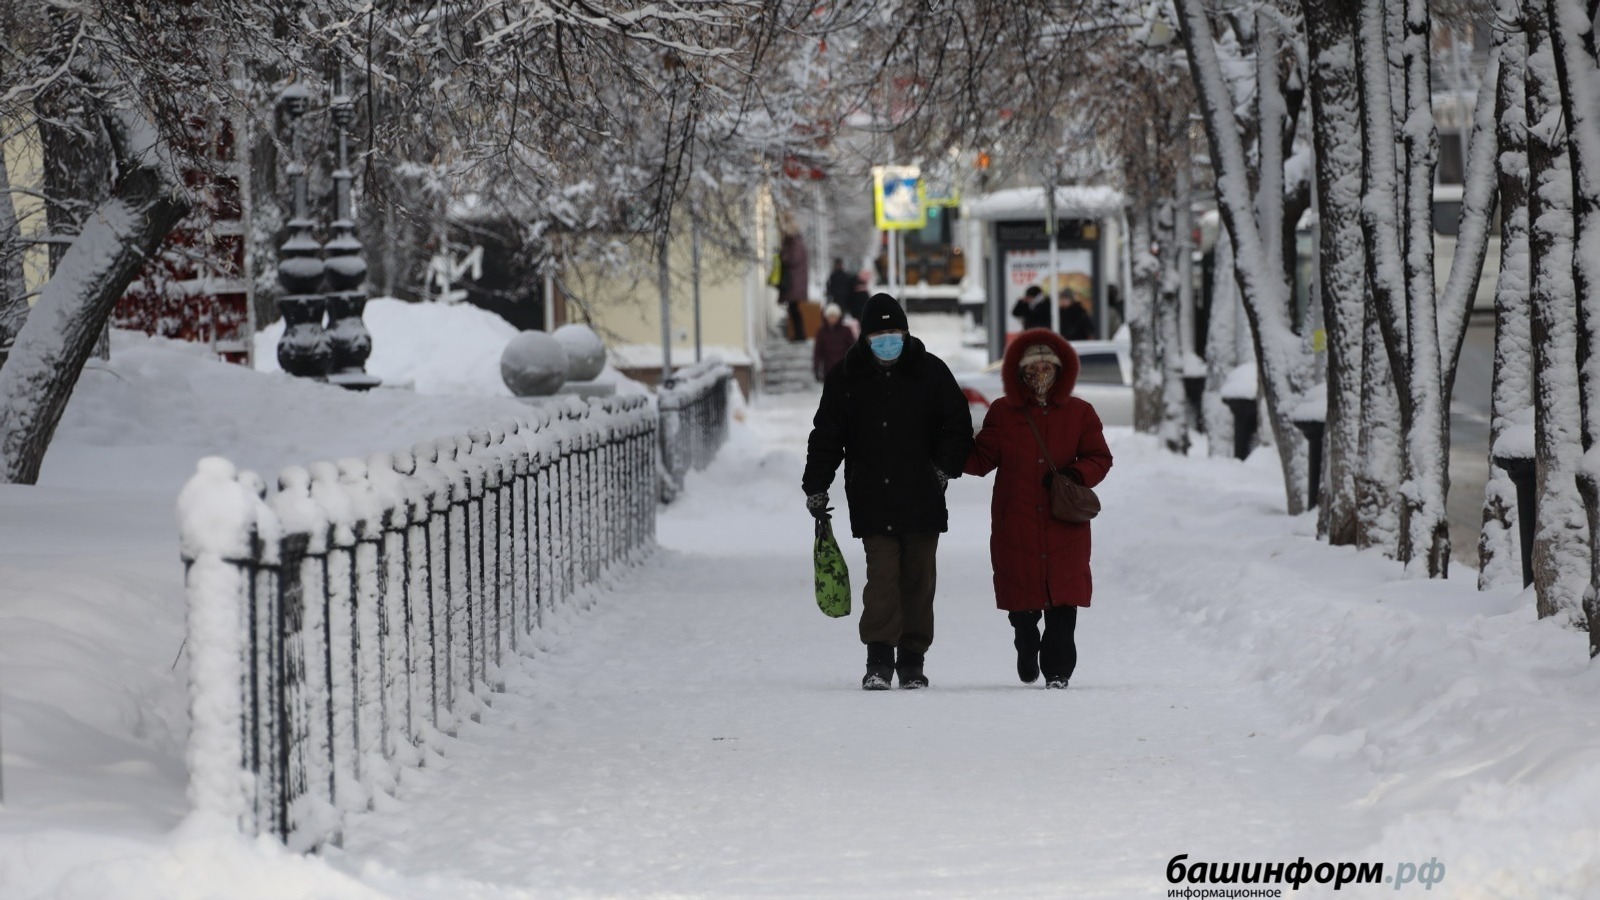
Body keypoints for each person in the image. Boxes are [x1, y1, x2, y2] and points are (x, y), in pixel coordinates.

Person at [803, 293, 975, 690]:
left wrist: (941, 469)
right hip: (871, 497)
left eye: (894, 333)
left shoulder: (930, 372)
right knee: (882, 579)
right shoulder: (846, 377)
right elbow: (827, 435)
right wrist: (816, 484)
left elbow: (957, 426)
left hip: (922, 497)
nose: (887, 341)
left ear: (906, 333)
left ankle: (912, 660)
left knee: (918, 580)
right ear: (865, 338)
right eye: (878, 335)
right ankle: (878, 659)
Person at [964, 329, 1113, 689]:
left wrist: (1075, 474)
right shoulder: (1004, 412)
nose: (1040, 374)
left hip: (1064, 522)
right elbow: (981, 460)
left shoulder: (1080, 413)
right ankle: (1026, 643)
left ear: (1061, 371)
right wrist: (949, 441)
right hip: (1016, 522)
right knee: (1023, 603)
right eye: (1032, 368)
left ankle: (1058, 671)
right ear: (1019, 373)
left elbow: (1099, 457)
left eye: (1047, 367)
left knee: (1064, 600)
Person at [779, 224, 810, 342]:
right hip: (796, 282)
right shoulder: (797, 243)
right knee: (794, 309)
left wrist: (783, 255)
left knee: (794, 310)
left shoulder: (795, 243)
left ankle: (799, 334)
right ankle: (798, 334)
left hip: (794, 283)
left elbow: (792, 259)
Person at [812, 303, 854, 381]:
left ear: (839, 317)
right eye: (830, 316)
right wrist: (816, 368)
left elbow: (852, 350)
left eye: (834, 316)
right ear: (826, 317)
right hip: (828, 370)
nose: (832, 319)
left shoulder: (846, 331)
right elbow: (818, 352)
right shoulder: (821, 332)